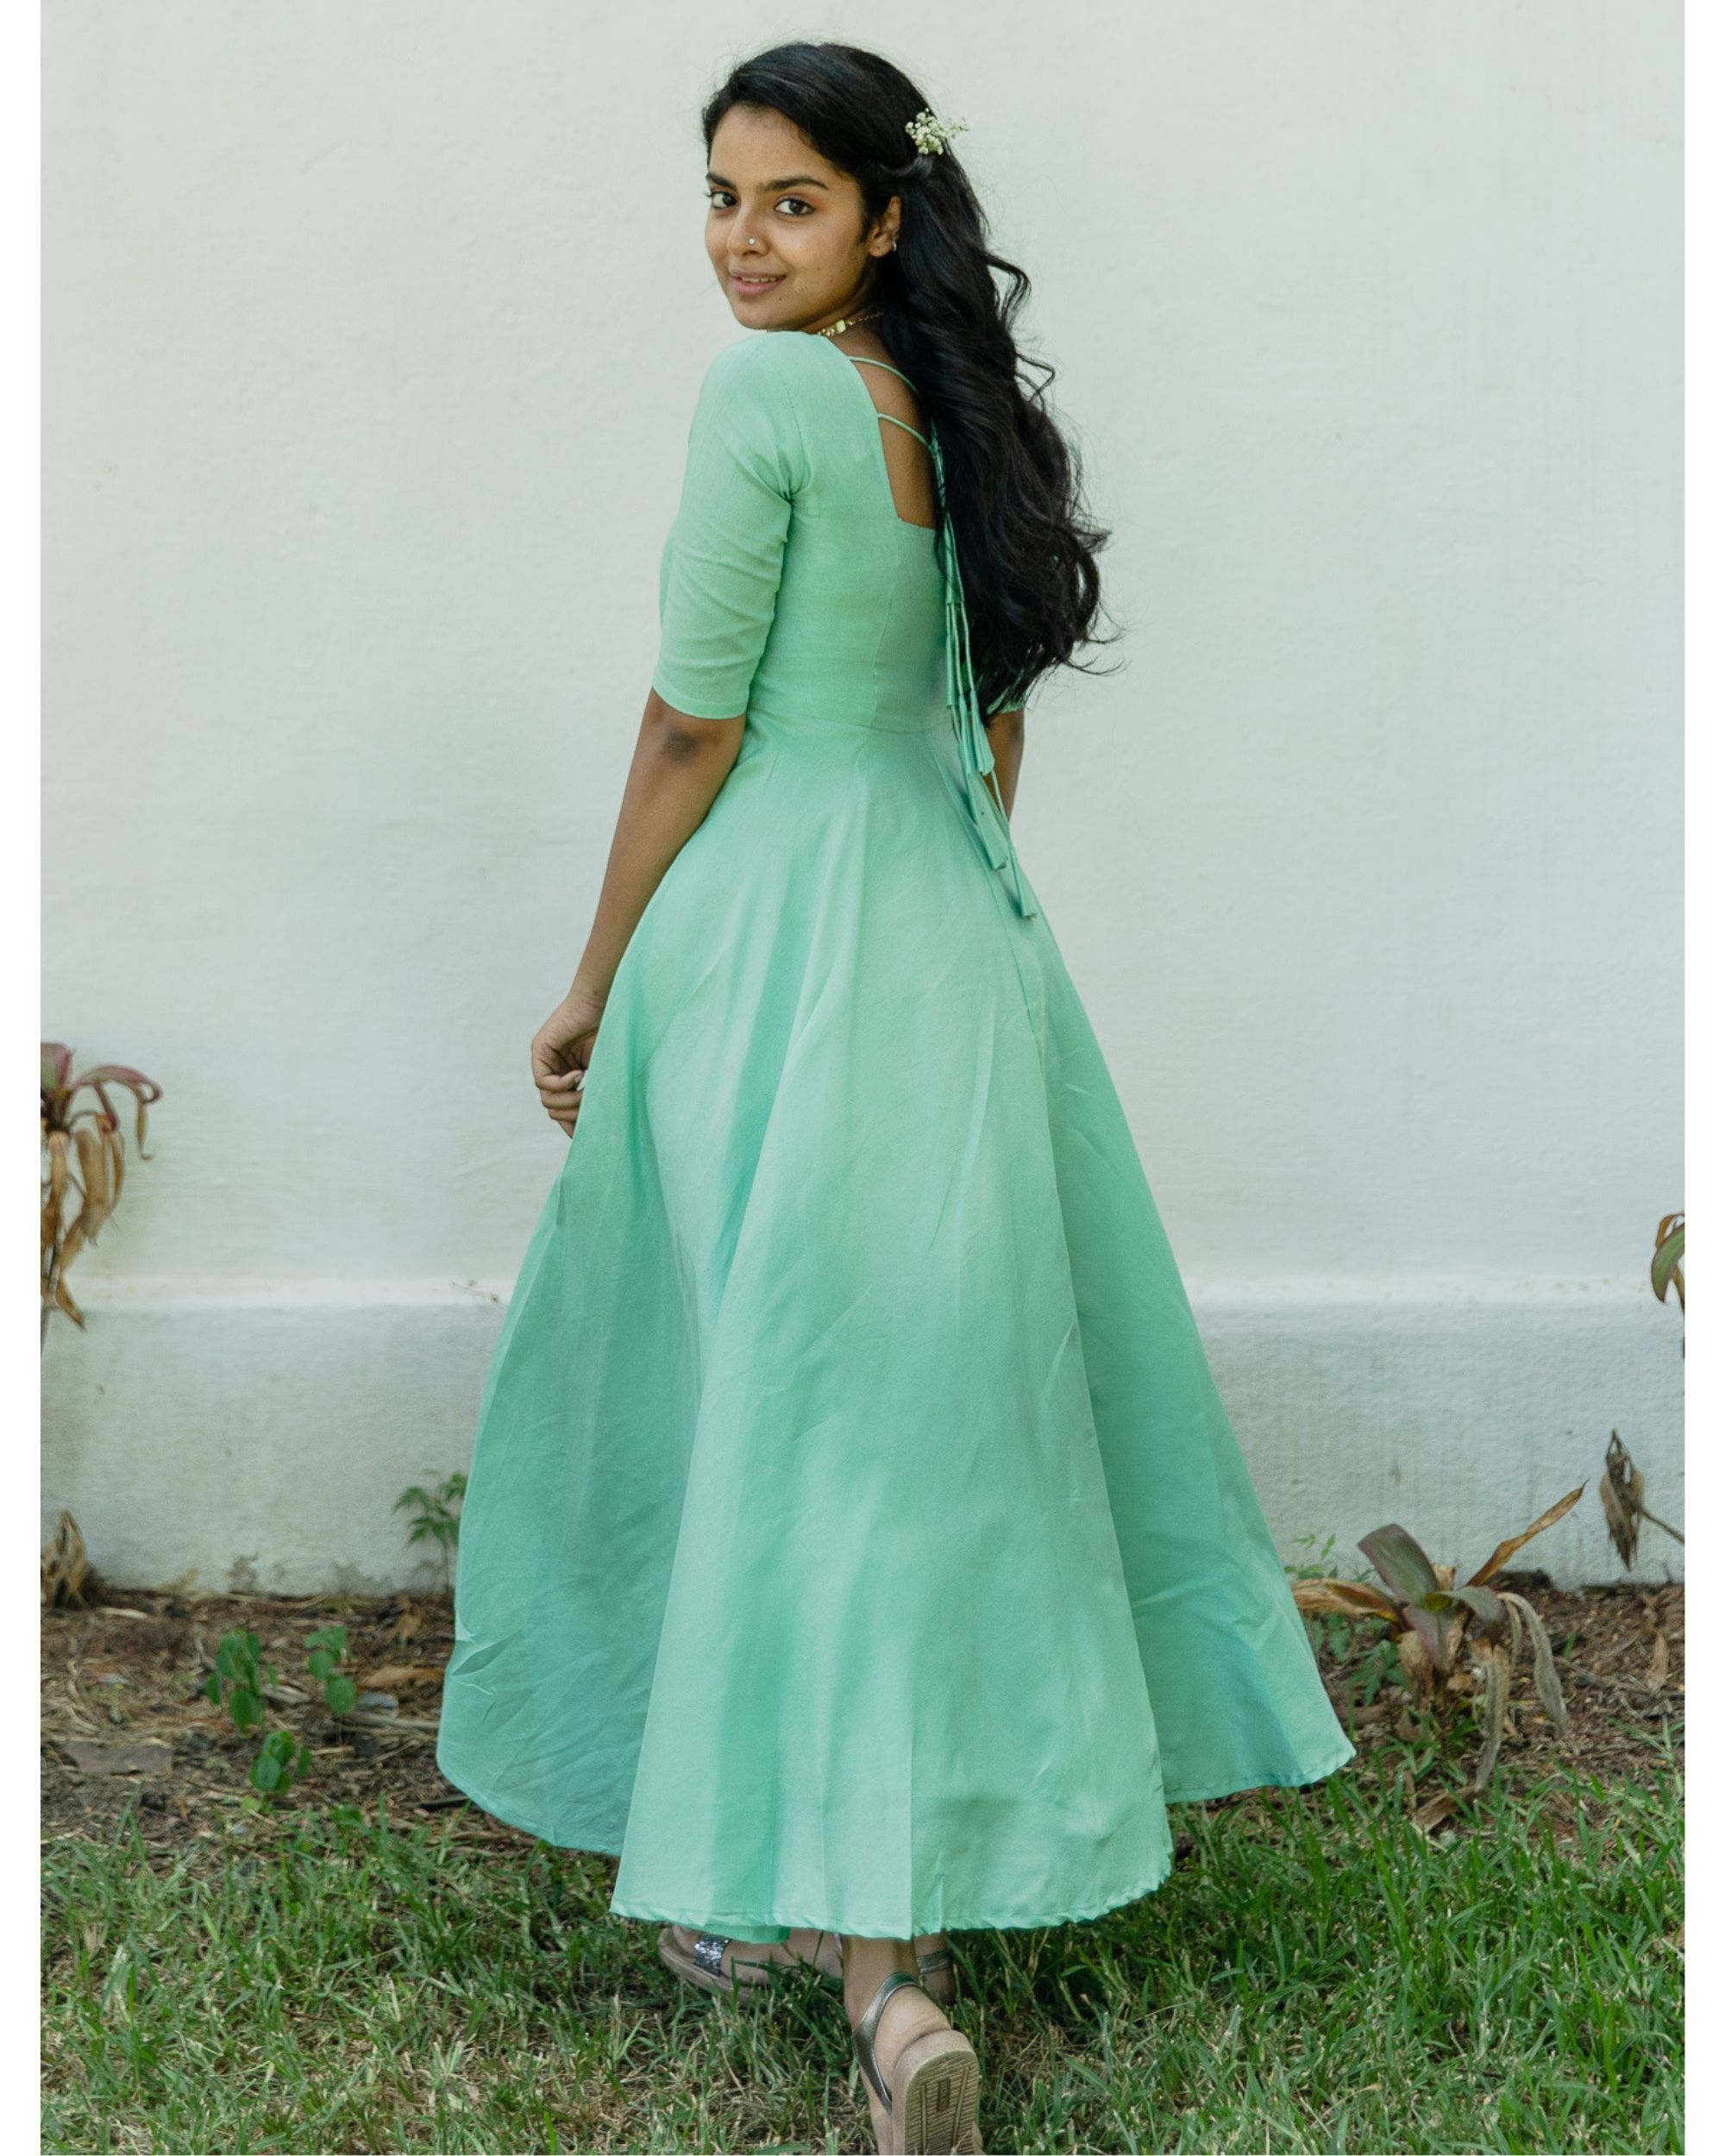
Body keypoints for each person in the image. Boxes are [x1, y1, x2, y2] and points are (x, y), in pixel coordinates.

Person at [436, 41, 1354, 2156]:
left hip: (772, 934)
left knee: (783, 1400)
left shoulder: (765, 400)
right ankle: (807, 1906)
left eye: (787, 203)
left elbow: (690, 724)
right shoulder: (969, 416)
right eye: (722, 197)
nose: (740, 242)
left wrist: (588, 977)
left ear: (881, 218)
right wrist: (955, 898)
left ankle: (872, 1977)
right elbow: (992, 730)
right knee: (920, 1416)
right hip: (956, 943)